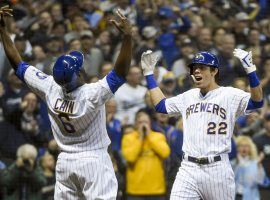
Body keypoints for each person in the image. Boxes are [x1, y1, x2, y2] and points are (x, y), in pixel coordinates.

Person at [0, 5, 133, 200]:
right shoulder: (91, 94)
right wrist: (128, 38)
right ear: (78, 74)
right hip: (93, 160)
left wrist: (2, 30)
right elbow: (120, 73)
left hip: (65, 162)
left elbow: (18, 64)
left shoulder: (50, 87)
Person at [140, 48, 263, 200]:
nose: (197, 71)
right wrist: (148, 74)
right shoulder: (188, 96)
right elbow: (161, 106)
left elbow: (257, 102)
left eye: (202, 68)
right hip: (188, 167)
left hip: (217, 168)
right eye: (194, 68)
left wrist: (250, 71)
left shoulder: (229, 94)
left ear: (214, 71)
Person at [121, 110, 170, 200]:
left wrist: (149, 136)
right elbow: (130, 158)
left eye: (146, 122)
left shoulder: (158, 136)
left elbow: (165, 153)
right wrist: (140, 138)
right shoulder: (128, 138)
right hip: (135, 191)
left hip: (157, 190)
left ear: (150, 123)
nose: (143, 125)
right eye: (140, 122)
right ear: (136, 123)